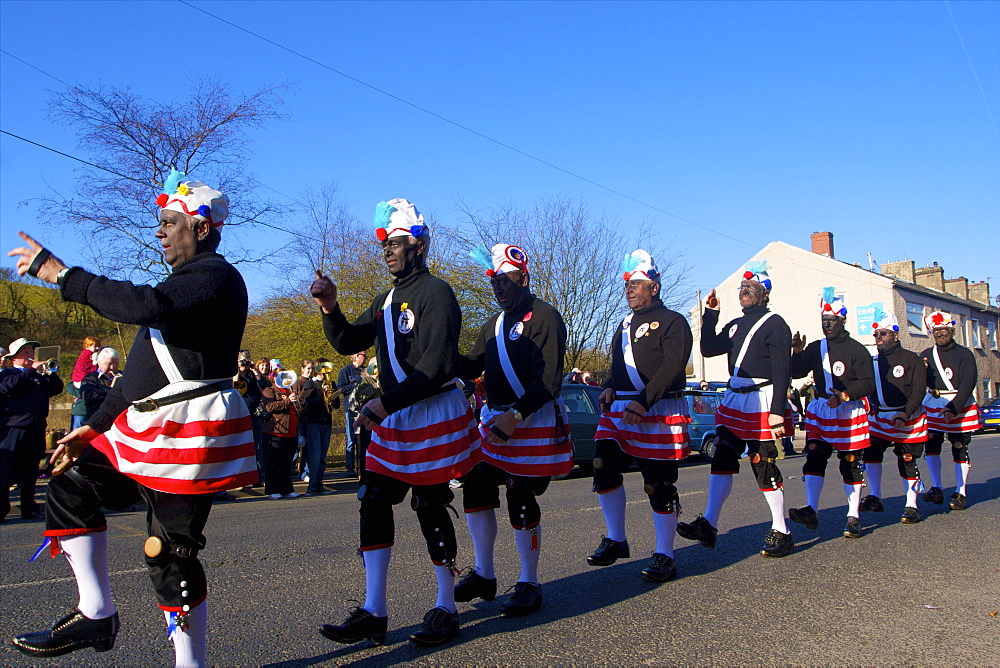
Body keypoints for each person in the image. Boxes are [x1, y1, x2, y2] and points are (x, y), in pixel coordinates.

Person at [8, 170, 256, 665]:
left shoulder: (215, 277)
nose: (159, 231)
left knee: (168, 555)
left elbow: (147, 304)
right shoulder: (183, 284)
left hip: (190, 433)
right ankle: (96, 613)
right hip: (147, 429)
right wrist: (93, 427)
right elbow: (137, 381)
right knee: (70, 482)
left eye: (168, 222)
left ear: (201, 229)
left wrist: (65, 276)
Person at [313, 198, 479, 647]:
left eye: (397, 242)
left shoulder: (437, 292)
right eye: (384, 242)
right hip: (397, 413)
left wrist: (387, 404)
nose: (387, 249)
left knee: (429, 503)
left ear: (420, 246)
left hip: (430, 409)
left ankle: (446, 605)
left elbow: (440, 362)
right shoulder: (384, 298)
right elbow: (349, 339)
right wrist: (331, 307)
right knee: (372, 499)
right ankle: (374, 611)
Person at [454, 243, 571, 617]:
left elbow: (549, 380)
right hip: (498, 420)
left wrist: (515, 416)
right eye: (494, 282)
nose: (499, 288)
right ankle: (484, 574)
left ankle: (528, 581)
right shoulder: (492, 325)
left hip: (532, 420)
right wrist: (436, 347)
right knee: (475, 481)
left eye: (505, 281)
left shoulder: (546, 317)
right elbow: (470, 365)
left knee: (520, 492)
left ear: (523, 277)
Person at [586, 250, 692, 583]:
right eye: (627, 285)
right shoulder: (623, 323)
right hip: (621, 408)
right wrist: (607, 385)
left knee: (656, 483)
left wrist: (644, 402)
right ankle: (616, 538)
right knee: (602, 464)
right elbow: (618, 363)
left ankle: (665, 554)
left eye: (637, 284)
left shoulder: (674, 321)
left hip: (657, 408)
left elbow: (672, 366)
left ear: (654, 287)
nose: (629, 290)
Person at [677, 261, 795, 558]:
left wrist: (778, 410)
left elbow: (783, 370)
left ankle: (782, 530)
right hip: (735, 399)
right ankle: (709, 524)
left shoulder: (776, 324)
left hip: (762, 401)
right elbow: (707, 348)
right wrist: (711, 315)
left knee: (762, 463)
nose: (745, 292)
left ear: (764, 294)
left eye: (751, 288)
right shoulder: (734, 324)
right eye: (742, 288)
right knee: (723, 457)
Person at [788, 288, 875, 539]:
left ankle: (853, 516)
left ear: (842, 320)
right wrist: (797, 352)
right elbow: (796, 373)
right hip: (823, 409)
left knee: (849, 463)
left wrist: (846, 395)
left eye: (831, 321)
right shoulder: (816, 347)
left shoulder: (857, 350)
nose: (827, 325)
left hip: (848, 410)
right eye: (824, 321)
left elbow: (869, 382)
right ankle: (811, 510)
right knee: (814, 455)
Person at [862, 311, 928, 523]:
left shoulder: (911, 359)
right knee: (871, 454)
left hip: (907, 417)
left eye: (883, 333)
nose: (878, 337)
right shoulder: (871, 361)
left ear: (896, 335)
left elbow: (919, 390)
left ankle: (911, 505)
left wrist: (906, 413)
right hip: (879, 418)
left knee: (907, 459)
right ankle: (875, 495)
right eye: (876, 334)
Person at [919, 311, 979, 510]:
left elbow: (968, 383)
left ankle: (961, 492)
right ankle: (936, 487)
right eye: (936, 331)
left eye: (944, 330)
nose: (940, 334)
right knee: (932, 445)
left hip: (959, 404)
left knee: (959, 446)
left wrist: (954, 408)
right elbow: (918, 383)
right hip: (934, 405)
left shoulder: (965, 354)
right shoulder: (926, 356)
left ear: (952, 330)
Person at [0, 338, 64, 522]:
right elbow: (9, 387)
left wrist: (51, 374)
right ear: (15, 357)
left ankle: (29, 508)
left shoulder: (36, 377)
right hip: (13, 428)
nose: (30, 356)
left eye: (31, 352)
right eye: (26, 352)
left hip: (35, 428)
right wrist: (31, 370)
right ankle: (2, 509)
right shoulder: (7, 373)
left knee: (30, 472)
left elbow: (55, 389)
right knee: (5, 471)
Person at [261, 371, 303, 499]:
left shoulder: (290, 392)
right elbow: (269, 407)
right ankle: (271, 489)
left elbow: (299, 410)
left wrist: (301, 401)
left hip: (291, 431)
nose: (286, 382)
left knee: (286, 463)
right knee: (273, 462)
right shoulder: (269, 391)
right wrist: (287, 402)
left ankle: (287, 489)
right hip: (275, 431)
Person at [299, 358, 333, 495]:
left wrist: (332, 400)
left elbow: (335, 405)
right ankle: (312, 486)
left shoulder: (330, 383)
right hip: (313, 422)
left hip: (326, 422)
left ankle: (320, 484)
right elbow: (308, 404)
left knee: (323, 457)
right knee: (315, 456)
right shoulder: (309, 384)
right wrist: (321, 394)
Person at [337, 351, 368, 476]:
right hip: (350, 409)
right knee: (351, 439)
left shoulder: (366, 371)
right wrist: (355, 386)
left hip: (363, 408)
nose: (365, 358)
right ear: (356, 356)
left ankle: (363, 466)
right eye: (363, 355)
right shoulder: (346, 371)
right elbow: (341, 388)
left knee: (363, 439)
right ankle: (350, 467)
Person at [79, 347, 121, 422]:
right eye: (109, 364)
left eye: (116, 364)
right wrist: (111, 390)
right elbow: (88, 397)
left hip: (119, 420)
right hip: (97, 420)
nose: (112, 368)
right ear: (99, 362)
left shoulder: (123, 375)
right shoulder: (90, 378)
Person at [70, 337, 101, 429]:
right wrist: (95, 368)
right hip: (80, 379)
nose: (96, 348)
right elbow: (83, 367)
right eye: (94, 346)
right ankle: (78, 397)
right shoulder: (86, 354)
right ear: (87, 346)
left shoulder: (90, 354)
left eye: (98, 346)